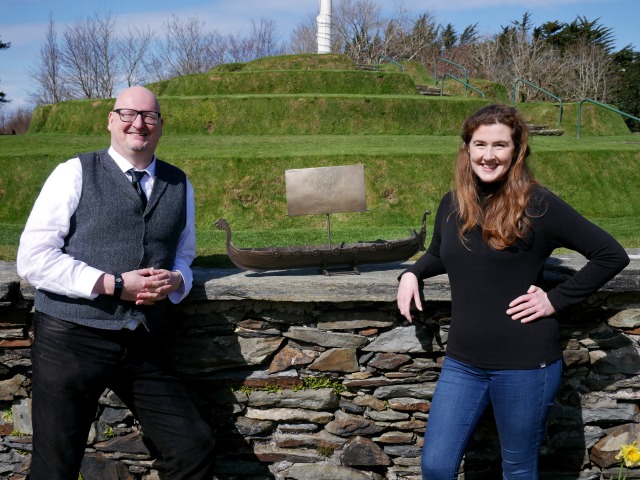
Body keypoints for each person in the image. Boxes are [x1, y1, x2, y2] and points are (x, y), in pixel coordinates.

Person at [396, 104, 629, 480]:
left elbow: (610, 255)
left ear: (516, 150)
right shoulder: (453, 203)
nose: (488, 156)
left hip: (525, 366)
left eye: (500, 145)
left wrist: (554, 299)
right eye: (480, 144)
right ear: (467, 148)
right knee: (436, 467)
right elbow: (440, 252)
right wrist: (412, 272)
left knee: (518, 470)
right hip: (462, 363)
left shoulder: (539, 205)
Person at [17, 86, 216, 480]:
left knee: (193, 445)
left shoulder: (179, 184)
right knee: (55, 468)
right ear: (111, 120)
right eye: (128, 114)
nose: (138, 123)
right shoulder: (74, 172)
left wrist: (177, 279)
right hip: (70, 337)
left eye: (149, 117)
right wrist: (111, 283)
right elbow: (33, 259)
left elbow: (184, 255)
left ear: (160, 127)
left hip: (140, 340)